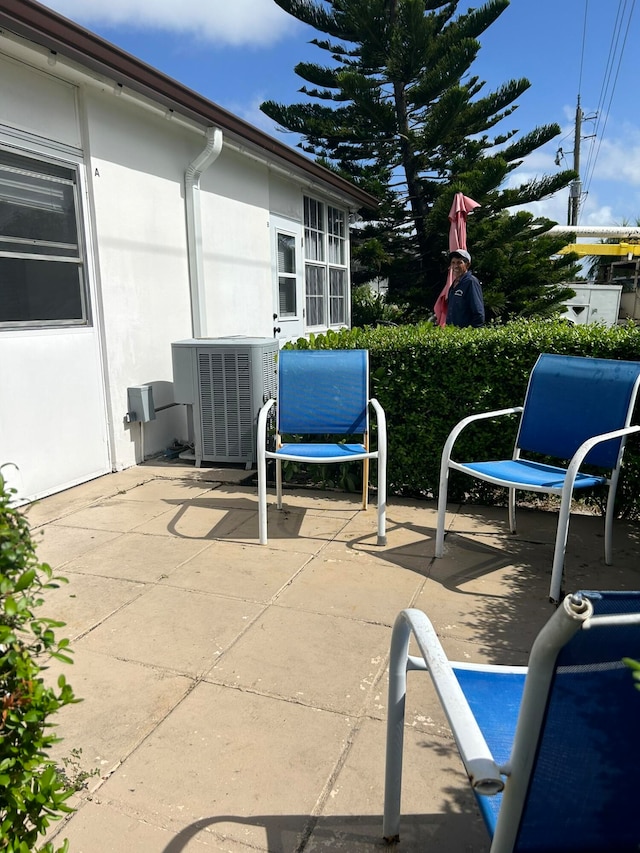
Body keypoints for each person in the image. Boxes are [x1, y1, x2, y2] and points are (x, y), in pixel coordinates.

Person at [446, 249, 485, 328]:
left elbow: (479, 313)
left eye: (459, 262)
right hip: (451, 334)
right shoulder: (454, 284)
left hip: (464, 336)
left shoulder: (471, 282)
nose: (455, 266)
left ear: (467, 265)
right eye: (453, 263)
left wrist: (471, 334)